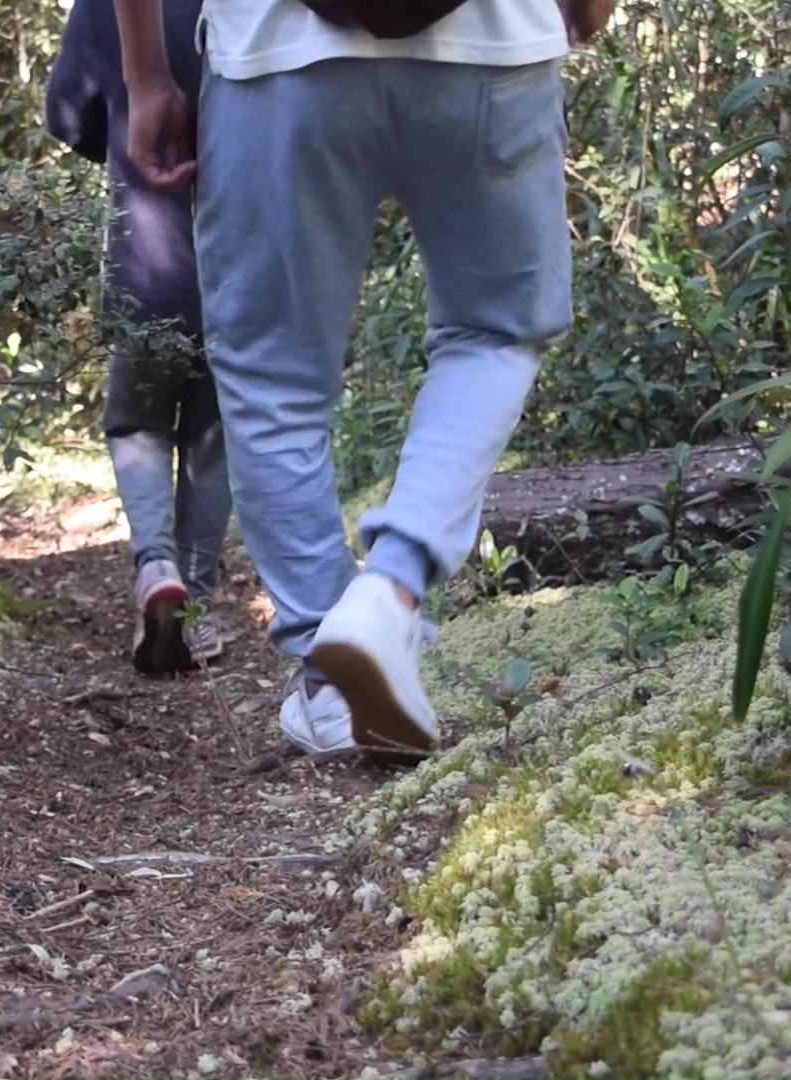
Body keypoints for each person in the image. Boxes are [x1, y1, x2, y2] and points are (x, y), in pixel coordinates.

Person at [109, 0, 575, 751]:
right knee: (496, 331)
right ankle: (389, 591)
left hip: (272, 56)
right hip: (496, 48)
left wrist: (148, 76)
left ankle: (330, 682)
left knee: (271, 376)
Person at [44, 0, 235, 676]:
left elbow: (66, 115)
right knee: (215, 439)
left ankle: (156, 566)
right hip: (240, 272)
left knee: (137, 425)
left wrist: (128, 123)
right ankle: (199, 607)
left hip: (145, 263)